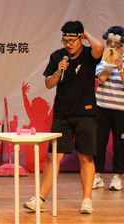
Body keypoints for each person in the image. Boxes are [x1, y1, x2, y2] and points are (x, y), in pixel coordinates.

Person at [23, 21, 104, 215]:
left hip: (85, 113)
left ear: (81, 38)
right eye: (64, 40)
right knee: (53, 157)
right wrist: (59, 71)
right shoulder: (57, 56)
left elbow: (100, 47)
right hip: (62, 114)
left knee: (85, 157)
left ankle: (86, 200)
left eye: (71, 40)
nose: (68, 44)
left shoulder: (89, 55)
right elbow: (48, 83)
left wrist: (84, 31)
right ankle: (41, 199)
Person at [93, 26, 124, 191]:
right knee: (99, 142)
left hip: (120, 109)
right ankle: (97, 176)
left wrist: (120, 66)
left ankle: (117, 176)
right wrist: (110, 62)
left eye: (115, 42)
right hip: (101, 106)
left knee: (119, 143)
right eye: (109, 42)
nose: (111, 45)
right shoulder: (102, 59)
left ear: (121, 44)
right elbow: (102, 78)